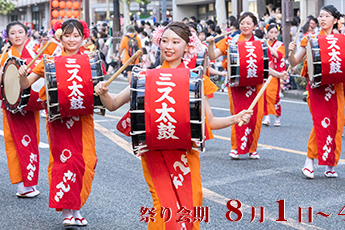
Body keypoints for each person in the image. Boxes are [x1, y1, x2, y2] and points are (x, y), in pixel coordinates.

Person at [94, 22, 252, 229]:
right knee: (163, 205)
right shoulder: (146, 77)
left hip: (185, 154)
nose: (169, 46)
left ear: (187, 46)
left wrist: (235, 117)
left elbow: (210, 122)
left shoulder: (196, 79)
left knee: (190, 203)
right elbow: (114, 104)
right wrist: (104, 93)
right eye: (165, 41)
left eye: (176, 42)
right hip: (155, 153)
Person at [17, 19, 96, 227]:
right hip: (59, 121)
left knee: (86, 162)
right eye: (68, 35)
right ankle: (67, 211)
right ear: (60, 37)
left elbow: (96, 90)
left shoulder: (89, 60)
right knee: (65, 162)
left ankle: (76, 206)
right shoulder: (49, 60)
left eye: (76, 35)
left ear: (83, 37)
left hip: (82, 120)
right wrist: (22, 76)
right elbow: (27, 84)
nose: (72, 40)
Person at [288, 5, 345, 179]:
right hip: (317, 88)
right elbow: (295, 61)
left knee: (336, 124)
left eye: (326, 16)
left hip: (336, 88)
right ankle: (309, 161)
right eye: (320, 16)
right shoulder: (310, 39)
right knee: (321, 123)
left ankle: (330, 164)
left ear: (335, 20)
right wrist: (290, 52)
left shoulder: (342, 40)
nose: (322, 19)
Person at [207, 12, 286, 160]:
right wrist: (211, 44)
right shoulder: (231, 40)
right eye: (242, 23)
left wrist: (279, 74)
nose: (245, 26)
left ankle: (252, 148)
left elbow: (263, 67)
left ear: (255, 26)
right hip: (237, 86)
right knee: (237, 115)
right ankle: (235, 148)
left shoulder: (260, 43)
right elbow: (212, 56)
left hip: (255, 85)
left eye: (248, 23)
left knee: (255, 117)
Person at [0, 22, 42, 198]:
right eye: (13, 33)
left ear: (27, 34)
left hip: (31, 105)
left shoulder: (36, 54)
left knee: (32, 141)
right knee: (14, 143)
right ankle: (22, 184)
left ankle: (29, 182)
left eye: (20, 32)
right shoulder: (3, 57)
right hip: (12, 106)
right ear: (7, 37)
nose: (17, 35)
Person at [262, 22, 287, 126]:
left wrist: (267, 46)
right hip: (265, 72)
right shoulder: (263, 43)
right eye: (271, 32)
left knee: (275, 96)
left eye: (275, 32)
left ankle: (277, 118)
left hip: (275, 73)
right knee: (264, 95)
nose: (273, 34)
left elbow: (279, 55)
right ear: (267, 33)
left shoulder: (279, 45)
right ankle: (267, 117)